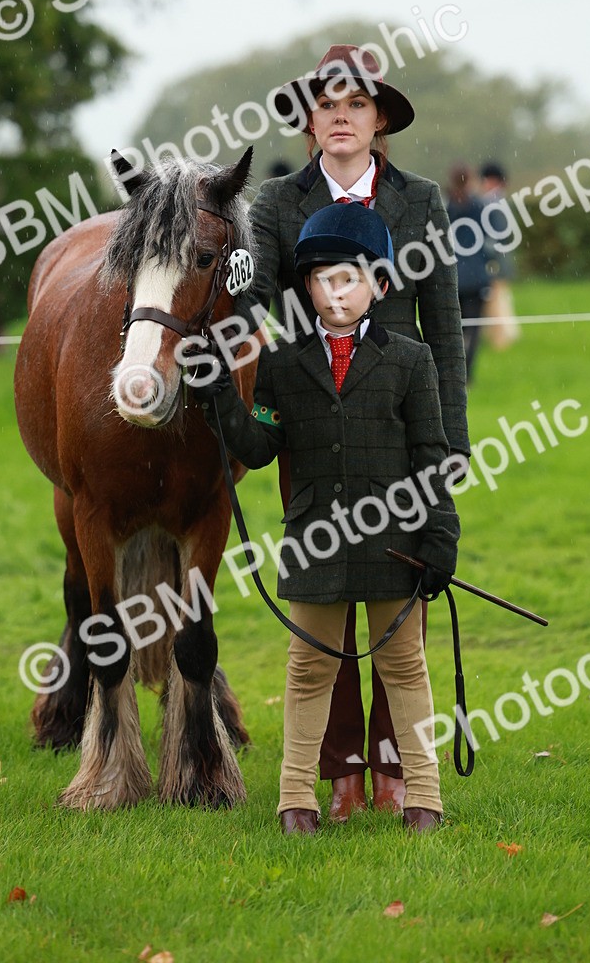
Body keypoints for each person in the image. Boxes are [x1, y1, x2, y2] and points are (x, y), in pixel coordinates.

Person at [233, 44, 469, 821]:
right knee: (323, 595)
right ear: (309, 120)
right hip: (307, 408)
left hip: (403, 413)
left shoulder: (423, 199)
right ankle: (337, 772)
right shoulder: (273, 202)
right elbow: (257, 302)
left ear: (378, 122)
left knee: (399, 597)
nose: (340, 114)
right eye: (327, 103)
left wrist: (452, 444)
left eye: (356, 103)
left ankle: (399, 765)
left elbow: (442, 321)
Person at [194, 202, 460, 835]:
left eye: (349, 278)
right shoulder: (282, 366)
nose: (335, 291)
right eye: (320, 279)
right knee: (308, 667)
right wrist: (223, 400)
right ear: (305, 288)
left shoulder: (411, 361)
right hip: (315, 541)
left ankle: (424, 797)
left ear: (381, 285)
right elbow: (259, 446)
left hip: (394, 543)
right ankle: (295, 802)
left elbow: (432, 457)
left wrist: (440, 534)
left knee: (404, 666)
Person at [445, 164, 490, 383]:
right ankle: (467, 373)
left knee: (453, 329)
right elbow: (489, 241)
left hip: (451, 276)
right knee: (472, 329)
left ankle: (454, 372)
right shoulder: (479, 207)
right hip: (476, 277)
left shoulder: (444, 207)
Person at [478, 160, 520, 351]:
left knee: (497, 301)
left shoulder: (492, 203)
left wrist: (488, 257)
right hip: (498, 259)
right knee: (496, 299)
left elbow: (495, 236)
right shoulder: (499, 201)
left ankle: (502, 338)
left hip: (494, 261)